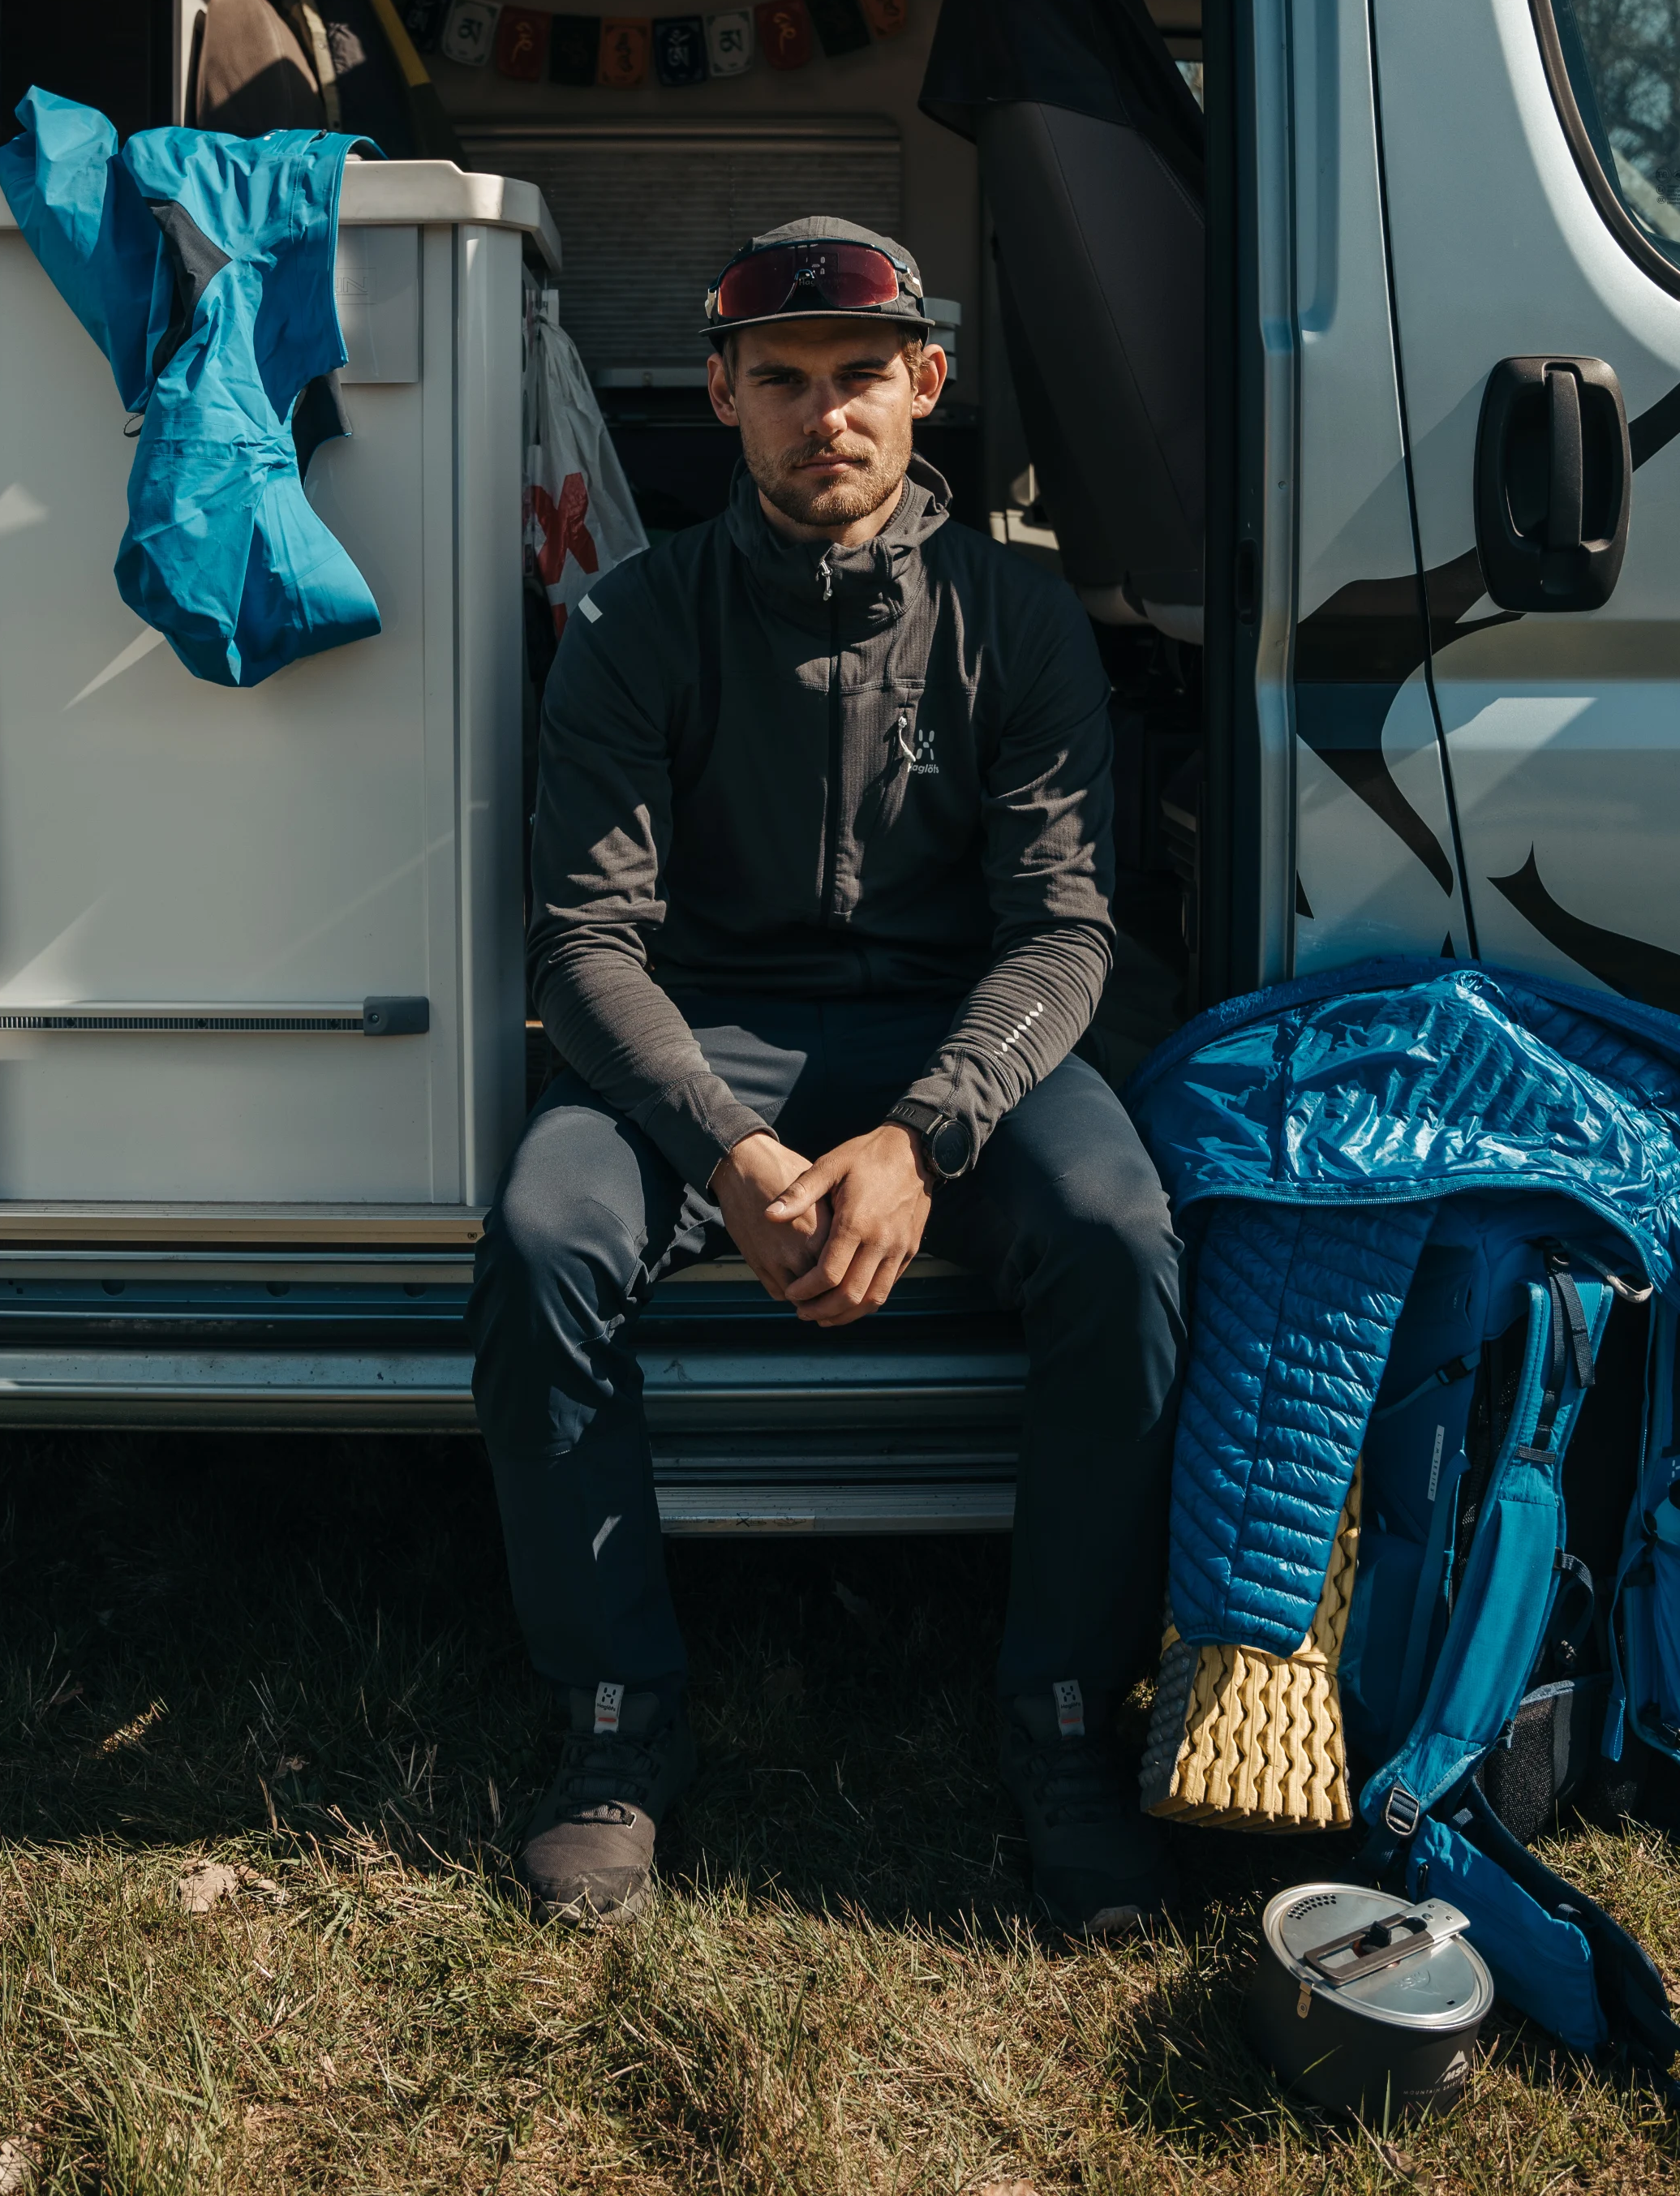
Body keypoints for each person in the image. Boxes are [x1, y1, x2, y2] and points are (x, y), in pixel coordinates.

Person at [467, 217, 1186, 1936]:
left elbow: (1064, 930)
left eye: (862, 376)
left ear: (925, 382)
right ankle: (617, 1726)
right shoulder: (636, 616)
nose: (825, 416)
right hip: (700, 1032)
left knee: (1118, 1235)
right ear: (720, 395)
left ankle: (1065, 1720)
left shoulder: (1015, 614)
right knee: (545, 1236)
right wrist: (727, 1151)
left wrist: (922, 1138)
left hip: (949, 1030)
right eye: (780, 380)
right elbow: (584, 944)